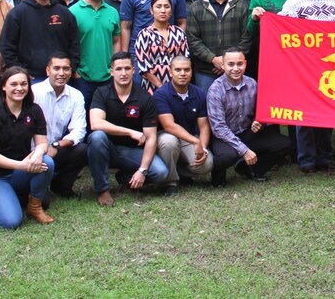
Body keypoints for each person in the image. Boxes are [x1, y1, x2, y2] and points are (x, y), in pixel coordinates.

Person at [280, 0, 335, 173]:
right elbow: (282, 31)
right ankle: (306, 159)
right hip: (303, 68)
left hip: (328, 67)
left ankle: (324, 157)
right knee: (304, 115)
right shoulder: (293, 2)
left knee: (327, 113)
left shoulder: (334, 1)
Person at [86, 53, 169, 205]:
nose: (123, 73)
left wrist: (143, 170)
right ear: (111, 72)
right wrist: (130, 132)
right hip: (107, 148)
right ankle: (103, 190)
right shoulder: (101, 93)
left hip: (132, 152)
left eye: (126, 68)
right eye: (118, 69)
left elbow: (151, 138)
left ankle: (125, 176)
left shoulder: (145, 97)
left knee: (161, 173)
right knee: (97, 137)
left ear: (133, 70)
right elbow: (96, 123)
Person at [0, 67, 56, 227]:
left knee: (47, 162)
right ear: (4, 87)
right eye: (13, 84)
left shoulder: (34, 110)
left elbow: (42, 142)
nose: (19, 88)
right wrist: (22, 165)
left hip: (21, 173)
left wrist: (38, 153)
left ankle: (34, 206)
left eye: (23, 84)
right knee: (11, 221)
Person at [207, 49, 293, 186]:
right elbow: (218, 128)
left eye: (239, 64)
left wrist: (259, 122)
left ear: (245, 64)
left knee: (285, 144)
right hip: (224, 137)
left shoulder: (252, 84)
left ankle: (250, 169)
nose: (236, 68)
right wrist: (244, 150)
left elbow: (262, 112)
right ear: (222, 66)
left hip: (247, 132)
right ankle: (218, 177)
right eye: (230, 64)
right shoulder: (215, 90)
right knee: (226, 156)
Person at [0, 0, 80, 80]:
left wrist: (72, 67)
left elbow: (74, 44)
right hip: (32, 78)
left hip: (61, 76)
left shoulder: (65, 13)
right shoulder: (17, 13)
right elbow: (6, 47)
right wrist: (20, 71)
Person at [153, 56, 214, 195]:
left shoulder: (199, 93)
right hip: (165, 137)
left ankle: (179, 171)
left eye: (186, 70)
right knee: (169, 142)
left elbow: (204, 126)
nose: (182, 73)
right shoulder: (161, 94)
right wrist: (195, 141)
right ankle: (170, 182)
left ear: (191, 72)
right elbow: (169, 126)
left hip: (188, 139)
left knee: (207, 164)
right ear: (170, 72)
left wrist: (203, 147)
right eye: (178, 70)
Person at [186, 0, 251, 91]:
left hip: (234, 70)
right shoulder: (196, 7)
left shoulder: (241, 6)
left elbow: (246, 37)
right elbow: (193, 40)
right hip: (206, 71)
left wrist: (227, 62)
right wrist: (213, 59)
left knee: (237, 108)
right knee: (206, 108)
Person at [32, 54, 88, 198]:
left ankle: (61, 187)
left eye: (66, 69)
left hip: (55, 148)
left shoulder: (76, 95)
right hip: (31, 151)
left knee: (82, 150)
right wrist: (41, 149)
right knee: (42, 201)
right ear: (47, 70)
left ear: (71, 71)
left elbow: (79, 130)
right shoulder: (33, 92)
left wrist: (56, 146)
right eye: (56, 68)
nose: (61, 73)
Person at [70, 0, 122, 103]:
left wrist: (114, 67)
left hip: (107, 76)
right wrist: (74, 71)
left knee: (107, 115)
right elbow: (67, 43)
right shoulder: (72, 12)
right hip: (82, 77)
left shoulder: (113, 12)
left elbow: (116, 41)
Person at [132, 0, 189, 94]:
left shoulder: (179, 33)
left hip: (178, 87)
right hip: (152, 88)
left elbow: (185, 59)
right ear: (151, 10)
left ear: (171, 11)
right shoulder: (144, 34)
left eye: (166, 7)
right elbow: (144, 67)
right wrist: (161, 87)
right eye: (158, 7)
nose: (163, 10)